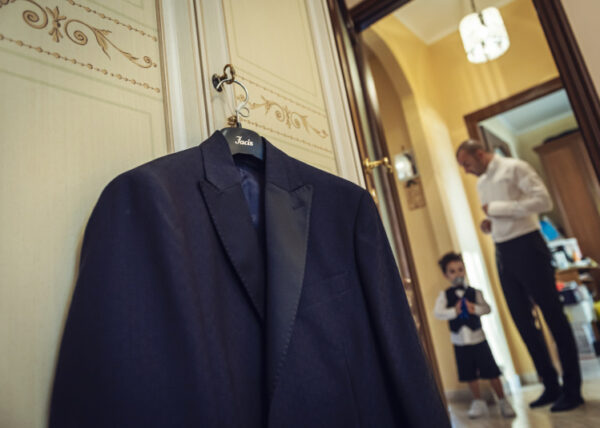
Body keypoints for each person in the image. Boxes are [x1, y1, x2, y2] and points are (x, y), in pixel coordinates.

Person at [456, 139, 583, 412]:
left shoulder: (515, 168)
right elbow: (499, 213)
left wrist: (498, 210)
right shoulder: (481, 183)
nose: (466, 170)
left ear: (480, 154)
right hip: (503, 252)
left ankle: (573, 391)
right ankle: (550, 386)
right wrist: (491, 222)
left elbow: (543, 200)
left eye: (467, 163)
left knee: (553, 317)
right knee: (523, 322)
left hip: (529, 246)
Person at [434, 252, 516, 419]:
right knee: (469, 373)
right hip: (459, 341)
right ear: (446, 275)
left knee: (491, 371)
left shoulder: (475, 292)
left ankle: (502, 400)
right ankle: (478, 401)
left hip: (478, 339)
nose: (457, 274)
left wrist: (475, 309)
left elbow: (487, 308)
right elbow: (438, 313)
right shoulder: (445, 295)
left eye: (460, 269)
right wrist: (454, 311)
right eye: (452, 271)